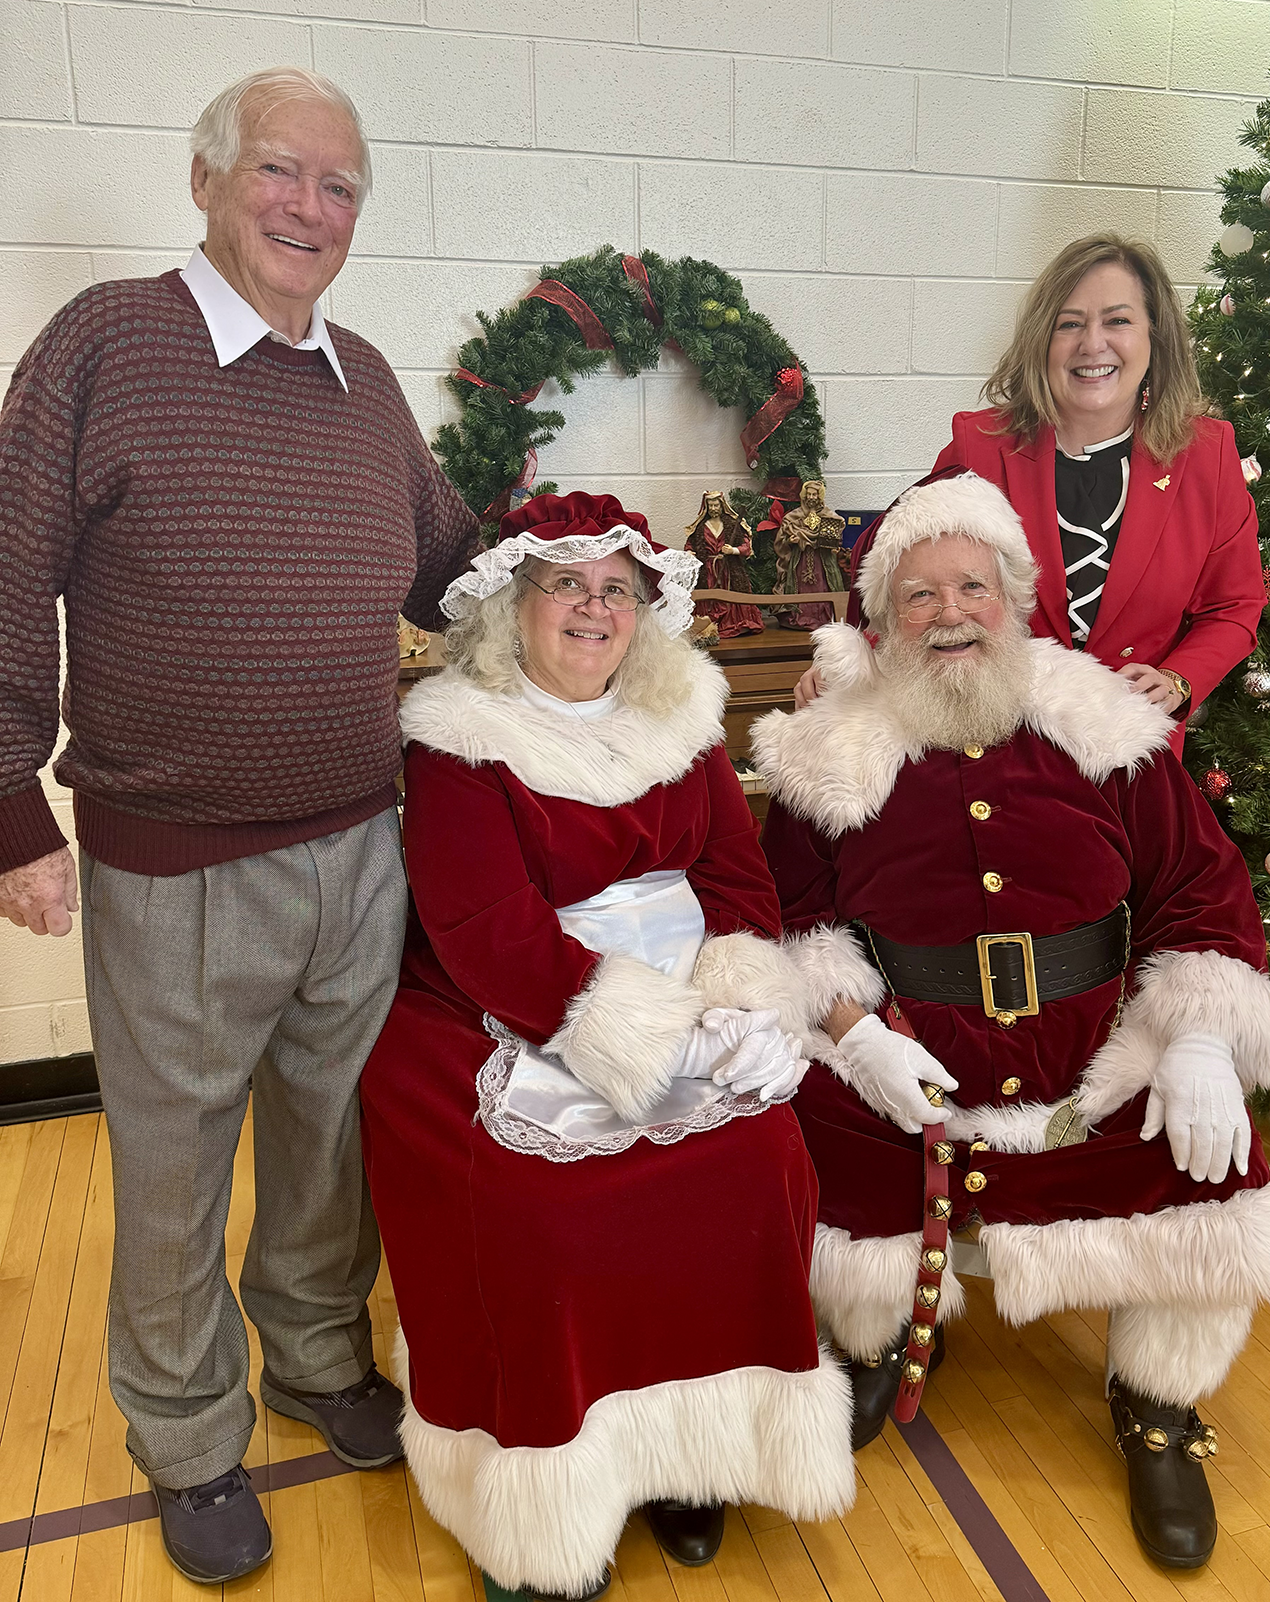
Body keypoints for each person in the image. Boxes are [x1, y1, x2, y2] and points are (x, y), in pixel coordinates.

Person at [0, 68, 480, 1583]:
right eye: (280, 170)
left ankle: (317, 1353)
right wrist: (10, 806)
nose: (309, 208)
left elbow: (454, 575)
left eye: (340, 187)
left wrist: (596, 571)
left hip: (362, 842)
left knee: (332, 1141)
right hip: (178, 858)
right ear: (205, 179)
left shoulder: (369, 384)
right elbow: (6, 573)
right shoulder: (103, 345)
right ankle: (186, 1432)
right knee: (174, 1168)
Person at [754, 473, 1270, 1570]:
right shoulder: (830, 751)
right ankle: (880, 1334)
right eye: (919, 595)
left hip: (1097, 1063)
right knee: (812, 1132)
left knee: (1205, 1163)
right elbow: (787, 921)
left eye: (972, 587)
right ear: (883, 618)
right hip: (911, 1063)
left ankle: (1157, 1400)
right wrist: (856, 1034)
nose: (949, 614)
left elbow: (1197, 886)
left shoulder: (1106, 728)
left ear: (1015, 597)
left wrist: (1201, 1038)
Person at [361, 492, 855, 1602]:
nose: (594, 608)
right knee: (542, 1207)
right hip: (508, 1002)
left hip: (683, 991)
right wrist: (645, 1036)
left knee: (759, 1156)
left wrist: (742, 1004)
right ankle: (545, 1488)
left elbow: (735, 875)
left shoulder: (681, 719)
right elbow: (484, 927)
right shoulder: (458, 736)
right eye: (567, 586)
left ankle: (693, 1450)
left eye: (616, 590)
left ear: (645, 610)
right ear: (514, 607)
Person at [809, 236, 1263, 753]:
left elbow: (1234, 604)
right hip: (998, 746)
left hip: (1134, 752)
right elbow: (907, 584)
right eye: (1069, 324)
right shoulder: (978, 447)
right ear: (1042, 340)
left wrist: (1180, 679)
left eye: (1117, 320)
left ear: (1155, 337)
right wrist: (849, 669)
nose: (1093, 344)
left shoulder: (1207, 454)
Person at [686, 490, 763, 638]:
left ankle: (733, 621)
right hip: (708, 571)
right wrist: (689, 552)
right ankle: (708, 623)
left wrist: (733, 550)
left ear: (722, 505)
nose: (713, 508)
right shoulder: (700, 527)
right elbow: (690, 544)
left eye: (716, 505)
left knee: (731, 594)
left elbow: (746, 547)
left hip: (729, 569)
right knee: (709, 596)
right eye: (710, 505)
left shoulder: (733, 525)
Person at [773, 480, 847, 630]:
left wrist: (833, 545)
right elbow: (782, 541)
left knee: (822, 586)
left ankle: (824, 616)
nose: (811, 497)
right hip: (800, 560)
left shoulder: (829, 516)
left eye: (814, 494)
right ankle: (799, 615)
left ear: (820, 496)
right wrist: (790, 540)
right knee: (800, 587)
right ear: (804, 495)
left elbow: (836, 536)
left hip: (822, 561)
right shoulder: (793, 517)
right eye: (809, 494)